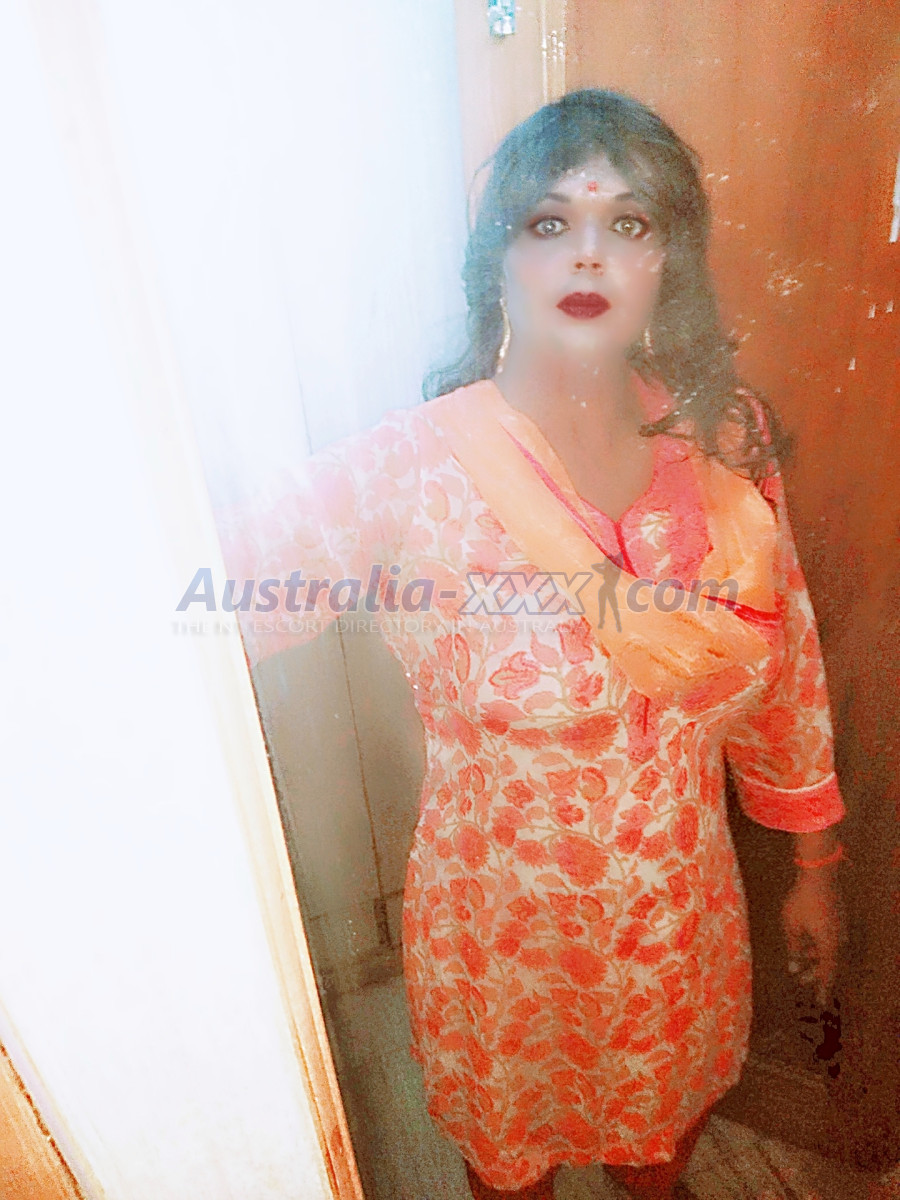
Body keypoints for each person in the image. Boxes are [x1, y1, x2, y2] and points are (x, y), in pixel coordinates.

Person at [223, 90, 846, 1200]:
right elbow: (209, 610)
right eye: (551, 222)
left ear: (667, 258)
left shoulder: (723, 437)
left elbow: (786, 664)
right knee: (512, 1172)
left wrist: (814, 869)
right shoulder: (412, 471)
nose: (589, 253)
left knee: (659, 1159)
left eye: (630, 221)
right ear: (499, 258)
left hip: (677, 916)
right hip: (502, 931)